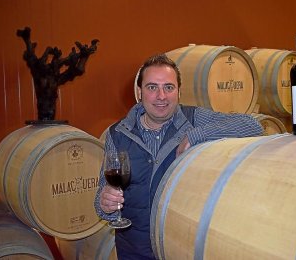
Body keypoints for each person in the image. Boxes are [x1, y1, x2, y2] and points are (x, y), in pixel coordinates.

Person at [94, 54, 263, 259]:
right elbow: (102, 201)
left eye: (169, 87)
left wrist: (197, 135)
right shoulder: (117, 134)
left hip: (182, 248)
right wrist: (106, 204)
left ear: (179, 92)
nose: (161, 96)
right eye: (152, 87)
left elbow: (252, 125)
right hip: (134, 251)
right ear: (139, 92)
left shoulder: (194, 119)